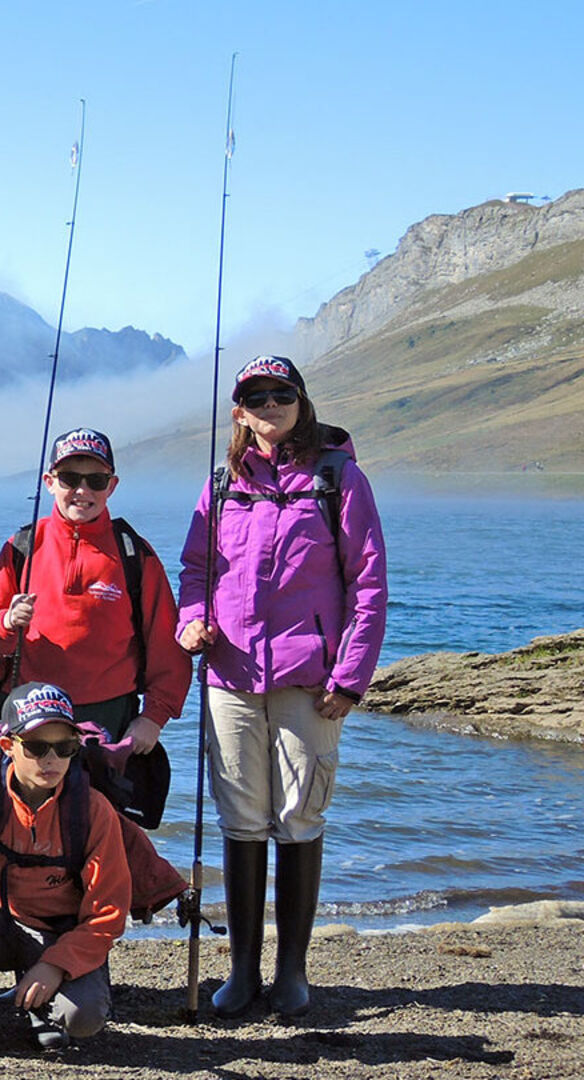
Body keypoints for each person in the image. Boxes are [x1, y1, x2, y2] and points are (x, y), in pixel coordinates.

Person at [177, 355, 388, 1019]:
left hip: (311, 680)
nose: (269, 406)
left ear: (301, 402)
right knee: (240, 819)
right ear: (240, 410)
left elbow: (370, 585)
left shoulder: (339, 479)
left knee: (299, 817)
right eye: (255, 396)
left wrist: (350, 678)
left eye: (281, 395)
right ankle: (242, 972)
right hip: (232, 676)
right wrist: (192, 622)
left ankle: (292, 972)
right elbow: (195, 567)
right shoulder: (222, 480)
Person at [0, 682, 131, 1062]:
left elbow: (108, 914)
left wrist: (54, 965)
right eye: (36, 747)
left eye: (64, 748)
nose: (51, 759)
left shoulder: (94, 811)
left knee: (84, 1017)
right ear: (9, 746)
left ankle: (40, 1011)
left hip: (56, 935)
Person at [0, 428, 190, 750]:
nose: (82, 490)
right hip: (27, 712)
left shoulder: (134, 553)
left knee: (104, 803)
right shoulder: (21, 547)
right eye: (70, 479)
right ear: (49, 482)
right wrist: (7, 622)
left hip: (109, 715)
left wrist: (153, 718)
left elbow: (167, 644)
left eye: (96, 481)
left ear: (112, 486)